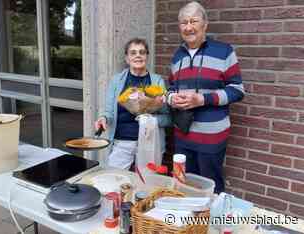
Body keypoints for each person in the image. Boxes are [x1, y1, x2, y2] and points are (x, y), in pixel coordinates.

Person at [166, 1, 245, 193]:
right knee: (183, 185)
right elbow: (171, 88)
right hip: (183, 136)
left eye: (194, 21)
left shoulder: (224, 51)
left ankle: (210, 222)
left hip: (212, 137)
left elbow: (238, 90)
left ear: (205, 24)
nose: (189, 27)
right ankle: (189, 223)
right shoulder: (177, 56)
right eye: (184, 22)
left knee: (211, 187)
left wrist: (202, 99)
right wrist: (171, 99)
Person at [95, 38, 170, 170]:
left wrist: (150, 119)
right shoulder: (116, 81)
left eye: (142, 52)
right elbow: (109, 112)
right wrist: (103, 118)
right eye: (133, 53)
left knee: (148, 181)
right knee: (115, 179)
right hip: (122, 141)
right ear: (127, 58)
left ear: (147, 56)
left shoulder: (157, 81)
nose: (138, 56)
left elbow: (168, 118)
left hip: (150, 142)